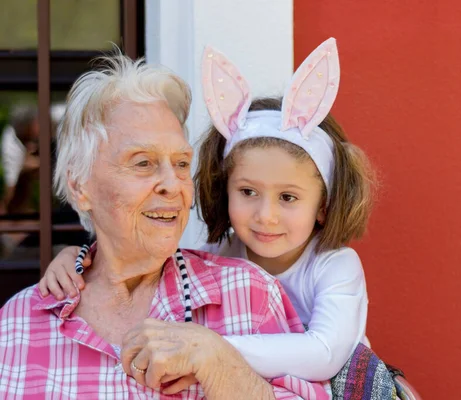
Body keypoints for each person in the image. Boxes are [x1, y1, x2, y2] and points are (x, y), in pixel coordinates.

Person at [40, 37, 377, 385]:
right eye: (248, 192)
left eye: (288, 198)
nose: (266, 215)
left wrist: (209, 349)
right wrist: (79, 259)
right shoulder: (221, 260)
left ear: (323, 206)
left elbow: (324, 355)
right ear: (224, 188)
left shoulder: (335, 265)